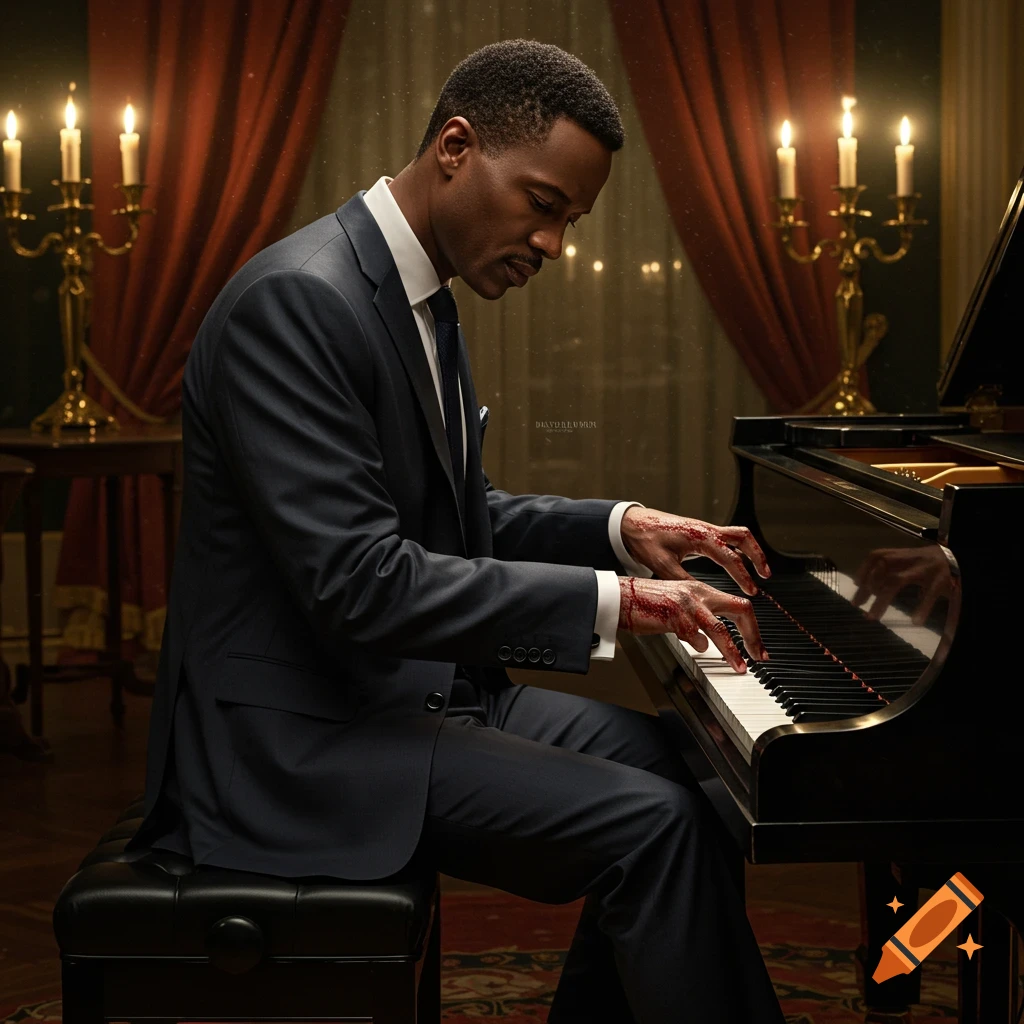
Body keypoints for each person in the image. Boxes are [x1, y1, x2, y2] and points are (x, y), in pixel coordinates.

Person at [128, 39, 784, 1023]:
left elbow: (457, 518)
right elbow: (364, 580)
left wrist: (621, 528)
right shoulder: (299, 303)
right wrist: (627, 604)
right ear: (455, 146)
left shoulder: (415, 297)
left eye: (570, 216)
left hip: (404, 697)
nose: (554, 243)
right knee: (654, 829)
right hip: (300, 742)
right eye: (544, 203)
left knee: (699, 775)